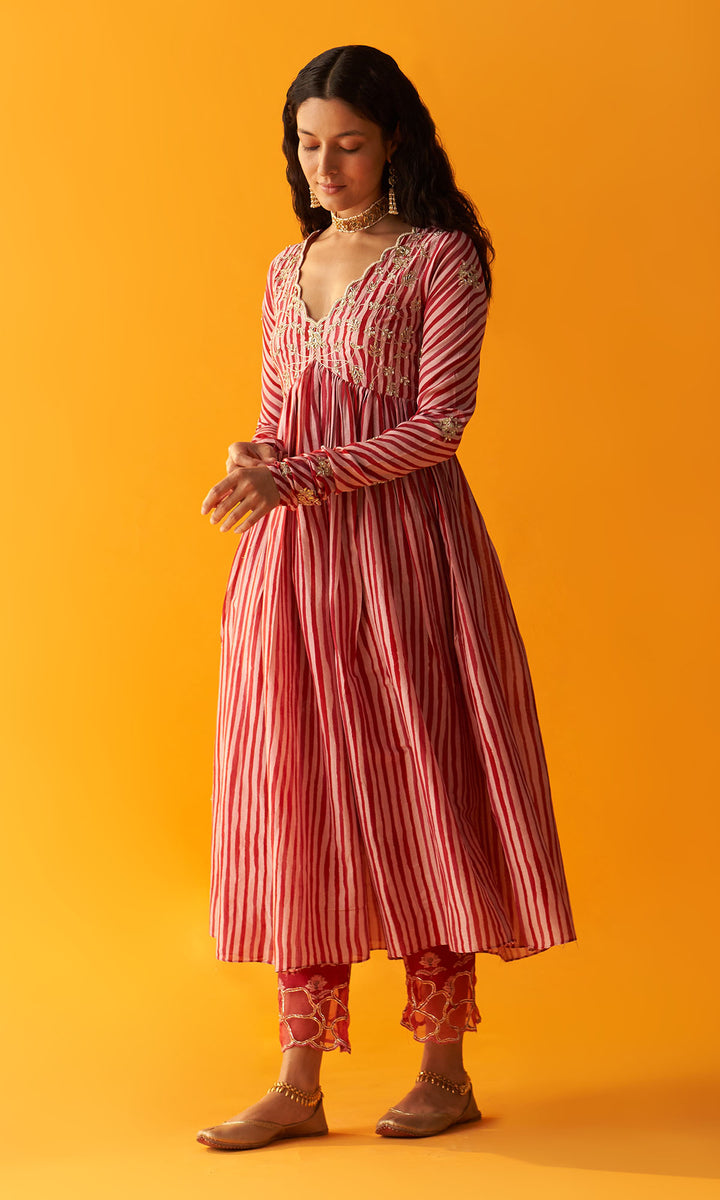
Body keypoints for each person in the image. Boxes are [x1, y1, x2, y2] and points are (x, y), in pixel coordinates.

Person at [196, 44, 576, 1152]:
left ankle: (444, 1071)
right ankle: (298, 1082)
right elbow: (281, 410)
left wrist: (299, 475)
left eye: (349, 145)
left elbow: (437, 427)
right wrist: (258, 454)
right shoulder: (287, 268)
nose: (327, 167)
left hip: (407, 557)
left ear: (395, 139)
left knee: (421, 780)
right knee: (297, 798)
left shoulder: (440, 261)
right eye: (309, 146)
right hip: (293, 565)